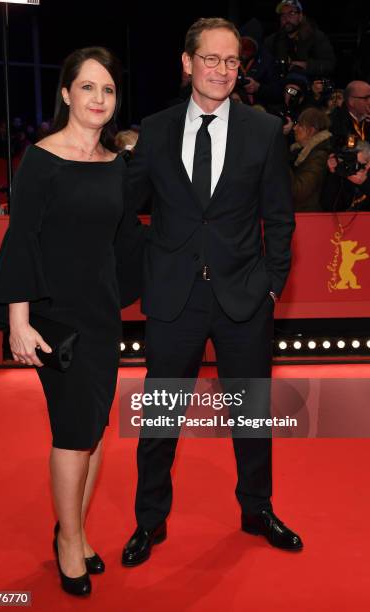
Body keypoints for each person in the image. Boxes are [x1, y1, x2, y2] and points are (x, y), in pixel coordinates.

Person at [122, 17, 302, 569]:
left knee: (252, 417)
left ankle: (256, 508)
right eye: (211, 59)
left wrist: (271, 287)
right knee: (160, 420)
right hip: (175, 298)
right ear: (187, 62)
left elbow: (280, 217)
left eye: (231, 61)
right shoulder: (153, 129)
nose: (222, 70)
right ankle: (149, 521)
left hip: (244, 298)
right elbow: (125, 209)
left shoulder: (263, 130)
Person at [0, 47, 143, 597]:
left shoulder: (116, 164)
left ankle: (73, 528)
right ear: (68, 94)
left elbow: (126, 240)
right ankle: (69, 542)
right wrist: (18, 323)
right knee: (74, 433)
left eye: (109, 90)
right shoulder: (42, 160)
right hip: (56, 318)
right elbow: (21, 240)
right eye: (88, 87)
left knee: (94, 432)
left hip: (100, 316)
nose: (99, 99)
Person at [265, 0, 336, 79]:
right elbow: (265, 65)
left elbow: (329, 64)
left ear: (301, 16)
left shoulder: (316, 37)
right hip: (282, 84)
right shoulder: (273, 40)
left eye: (291, 13)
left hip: (310, 84)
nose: (286, 18)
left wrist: (306, 65)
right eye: (282, 15)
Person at [289, 107, 332, 211]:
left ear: (311, 130)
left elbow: (300, 191)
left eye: (299, 125)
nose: (294, 128)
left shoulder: (319, 155)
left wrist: (281, 160)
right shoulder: (300, 151)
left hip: (308, 214)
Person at [322, 140, 370, 211]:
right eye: (351, 161)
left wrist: (365, 183)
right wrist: (334, 172)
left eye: (358, 164)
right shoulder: (346, 172)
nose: (354, 167)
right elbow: (328, 206)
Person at [330, 81, 370, 145]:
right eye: (365, 98)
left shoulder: (365, 118)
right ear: (351, 101)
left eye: (339, 98)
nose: (335, 101)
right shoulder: (335, 121)